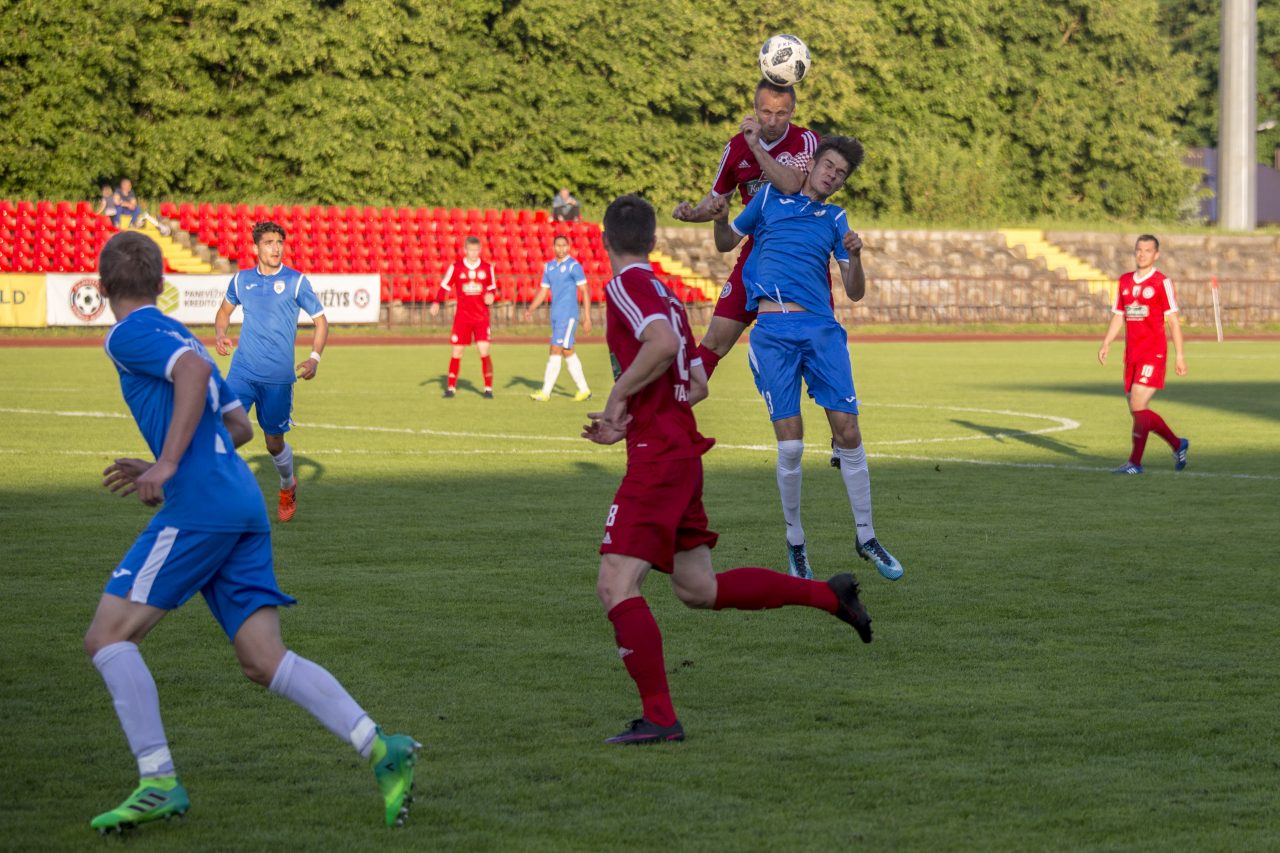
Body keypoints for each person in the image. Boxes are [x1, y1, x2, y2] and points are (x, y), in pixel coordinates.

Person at [85, 231, 419, 834]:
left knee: (108, 636)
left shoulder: (130, 333)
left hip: (202, 505)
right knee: (263, 660)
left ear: (103, 286)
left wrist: (167, 464)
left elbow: (192, 375)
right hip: (241, 500)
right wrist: (166, 457)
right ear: (162, 284)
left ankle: (157, 780)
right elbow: (237, 427)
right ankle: (380, 747)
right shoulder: (181, 333)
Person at [584, 194, 874, 746]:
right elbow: (694, 384)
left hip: (658, 459)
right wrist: (636, 417)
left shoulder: (624, 287)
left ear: (604, 240)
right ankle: (830, 595)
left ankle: (661, 718)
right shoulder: (668, 295)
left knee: (615, 584)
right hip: (678, 449)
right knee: (698, 588)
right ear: (653, 240)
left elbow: (661, 346)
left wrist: (619, 399)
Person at [712, 136, 904, 583]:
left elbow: (854, 291)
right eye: (828, 166)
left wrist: (856, 256)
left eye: (840, 174)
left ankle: (867, 535)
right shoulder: (767, 199)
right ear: (813, 163)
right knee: (792, 444)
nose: (832, 176)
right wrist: (719, 218)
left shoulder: (836, 219)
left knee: (848, 431)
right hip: (773, 333)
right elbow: (726, 241)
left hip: (820, 330)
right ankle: (796, 542)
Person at [672, 79, 819, 381]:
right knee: (714, 341)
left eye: (781, 113)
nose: (772, 121)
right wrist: (693, 214)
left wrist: (756, 146)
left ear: (793, 111)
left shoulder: (806, 140)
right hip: (756, 254)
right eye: (766, 112)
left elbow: (791, 184)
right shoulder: (735, 147)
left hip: (796, 259)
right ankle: (675, 404)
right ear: (754, 108)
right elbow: (717, 200)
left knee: (808, 355)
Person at [214, 221, 328, 522]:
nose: (276, 248)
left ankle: (287, 485)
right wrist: (220, 334)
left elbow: (320, 320)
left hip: (278, 378)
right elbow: (224, 312)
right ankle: (221, 495)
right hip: (242, 372)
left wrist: (314, 358)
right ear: (256, 248)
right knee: (223, 430)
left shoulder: (296, 281)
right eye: (268, 243)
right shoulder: (241, 280)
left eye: (279, 242)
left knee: (273, 444)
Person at [1097, 235, 1189, 474]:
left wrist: (1179, 355)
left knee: (1138, 404)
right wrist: (1107, 343)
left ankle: (1135, 463)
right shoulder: (1125, 281)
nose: (1142, 254)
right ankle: (1178, 444)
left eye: (1148, 250)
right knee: (1137, 411)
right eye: (1139, 249)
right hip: (1132, 355)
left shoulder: (1161, 282)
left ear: (1156, 255)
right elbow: (1119, 315)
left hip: (1153, 353)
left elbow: (1173, 321)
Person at [523, 234, 592, 401]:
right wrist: (531, 309)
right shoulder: (549, 267)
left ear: (568, 247)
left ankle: (545, 392)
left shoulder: (573, 266)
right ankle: (584, 390)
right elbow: (543, 291)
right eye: (558, 245)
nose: (561, 248)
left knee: (555, 349)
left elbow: (584, 291)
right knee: (568, 351)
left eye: (564, 245)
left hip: (568, 316)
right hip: (556, 316)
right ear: (553, 247)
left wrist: (587, 317)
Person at [431, 235, 497, 398]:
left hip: (481, 317)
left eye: (476, 250)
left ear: (480, 250)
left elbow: (492, 288)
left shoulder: (487, 268)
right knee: (457, 351)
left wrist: (491, 296)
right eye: (471, 250)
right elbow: (444, 287)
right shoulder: (456, 268)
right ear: (465, 250)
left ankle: (488, 389)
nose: (473, 253)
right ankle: (451, 388)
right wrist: (437, 302)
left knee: (483, 350)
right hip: (462, 317)